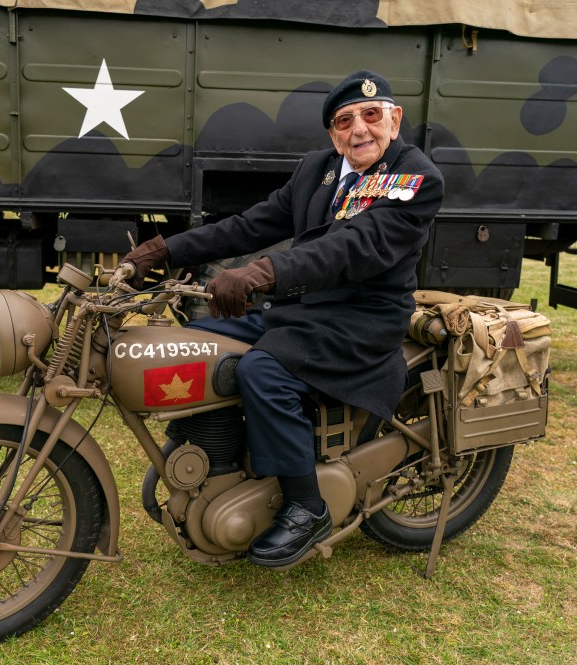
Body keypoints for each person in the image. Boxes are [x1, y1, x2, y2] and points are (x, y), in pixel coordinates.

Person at [122, 70, 444, 568]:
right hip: (299, 312)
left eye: (371, 114)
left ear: (394, 120)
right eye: (344, 121)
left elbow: (353, 246)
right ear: (332, 134)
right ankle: (218, 457)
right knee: (197, 341)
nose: (359, 129)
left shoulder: (412, 176)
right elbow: (251, 224)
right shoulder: (318, 169)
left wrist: (262, 272)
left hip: (357, 323)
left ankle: (305, 505)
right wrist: (164, 249)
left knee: (262, 371)